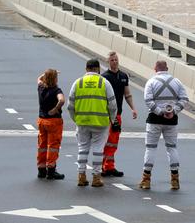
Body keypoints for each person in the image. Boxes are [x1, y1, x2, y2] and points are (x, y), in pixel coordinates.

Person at [139, 60, 189, 191]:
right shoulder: (177, 82)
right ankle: (175, 180)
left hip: (154, 119)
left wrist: (160, 112)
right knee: (172, 148)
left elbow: (148, 100)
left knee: (150, 148)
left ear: (155, 69)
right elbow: (184, 98)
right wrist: (174, 111)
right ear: (167, 68)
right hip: (171, 120)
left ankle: (146, 180)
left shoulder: (151, 82)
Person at [67, 58, 117, 187]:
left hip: (82, 122)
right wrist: (111, 119)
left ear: (86, 69)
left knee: (82, 148)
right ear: (98, 69)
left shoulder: (77, 83)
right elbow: (112, 105)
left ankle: (81, 175)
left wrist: (76, 119)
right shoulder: (104, 83)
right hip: (100, 122)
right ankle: (96, 177)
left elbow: (70, 106)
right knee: (98, 149)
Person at [100, 51, 138, 177]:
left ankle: (109, 166)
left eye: (116, 60)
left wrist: (133, 108)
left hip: (118, 114)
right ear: (108, 62)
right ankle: (104, 166)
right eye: (112, 60)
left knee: (113, 142)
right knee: (106, 141)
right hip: (107, 115)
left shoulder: (123, 76)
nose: (114, 62)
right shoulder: (105, 77)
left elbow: (127, 94)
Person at [36, 68, 66, 180]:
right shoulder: (56, 90)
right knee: (53, 146)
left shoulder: (41, 87)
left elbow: (39, 78)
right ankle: (51, 170)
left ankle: (41, 169)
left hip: (42, 120)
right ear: (55, 78)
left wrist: (46, 74)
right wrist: (56, 109)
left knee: (42, 145)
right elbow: (62, 100)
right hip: (53, 121)